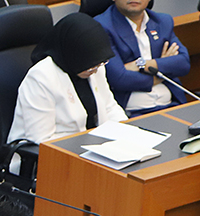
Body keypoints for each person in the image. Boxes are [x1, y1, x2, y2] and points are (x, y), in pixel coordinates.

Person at [7, 13, 127, 172]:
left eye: (99, 63)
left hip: (94, 153)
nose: (95, 69)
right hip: (50, 162)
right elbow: (41, 140)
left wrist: (127, 134)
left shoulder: (96, 67)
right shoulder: (41, 77)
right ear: (74, 54)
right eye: (90, 65)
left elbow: (110, 107)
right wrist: (93, 147)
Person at [94, 0, 190, 116]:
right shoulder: (102, 26)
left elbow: (183, 63)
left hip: (172, 105)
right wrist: (162, 71)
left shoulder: (162, 21)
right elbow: (119, 79)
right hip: (132, 113)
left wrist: (141, 64)